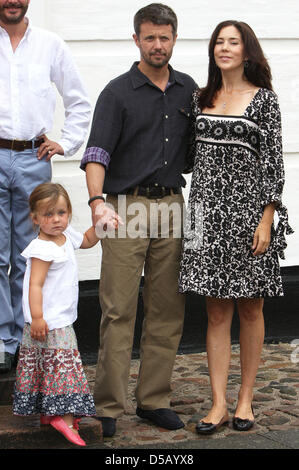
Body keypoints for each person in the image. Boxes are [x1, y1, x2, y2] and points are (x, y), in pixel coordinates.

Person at [80, 3, 197, 437]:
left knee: (168, 309)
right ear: (136, 39)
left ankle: (154, 400)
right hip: (124, 206)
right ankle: (108, 406)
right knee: (117, 309)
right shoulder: (117, 92)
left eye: (164, 37)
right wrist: (96, 203)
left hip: (173, 205)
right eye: (149, 37)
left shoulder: (189, 90)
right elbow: (96, 155)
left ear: (174, 38)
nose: (157, 45)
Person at [179, 20, 294, 434]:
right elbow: (187, 157)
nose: (224, 48)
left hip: (248, 217)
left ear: (247, 51)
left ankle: (245, 399)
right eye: (219, 42)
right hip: (204, 215)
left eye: (234, 42)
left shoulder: (264, 101)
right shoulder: (199, 98)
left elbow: (274, 163)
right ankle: (217, 403)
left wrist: (268, 217)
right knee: (214, 310)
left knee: (250, 306)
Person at [0, 0, 91, 373]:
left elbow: (79, 101)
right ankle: (2, 342)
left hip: (32, 158)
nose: (12, 1)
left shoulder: (50, 44)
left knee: (30, 252)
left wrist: (66, 143)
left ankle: (27, 338)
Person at [12, 183, 100, 447]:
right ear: (35, 219)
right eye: (48, 215)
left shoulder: (65, 235)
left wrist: (100, 226)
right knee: (65, 371)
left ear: (69, 213)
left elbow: (86, 241)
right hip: (49, 322)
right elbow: (34, 284)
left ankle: (49, 414)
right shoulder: (42, 248)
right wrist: (37, 318)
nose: (56, 220)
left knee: (49, 367)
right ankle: (67, 420)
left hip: (60, 318)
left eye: (61, 213)